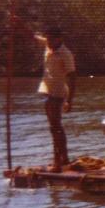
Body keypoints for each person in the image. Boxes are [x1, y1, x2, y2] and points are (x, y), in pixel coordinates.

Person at [35, 26, 76, 172]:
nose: (49, 42)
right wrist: (19, 24)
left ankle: (59, 160)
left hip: (58, 93)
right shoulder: (48, 46)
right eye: (48, 39)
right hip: (48, 92)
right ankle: (61, 158)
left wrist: (69, 101)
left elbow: (72, 78)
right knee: (54, 127)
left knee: (56, 127)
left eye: (52, 39)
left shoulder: (65, 54)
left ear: (59, 39)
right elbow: (32, 37)